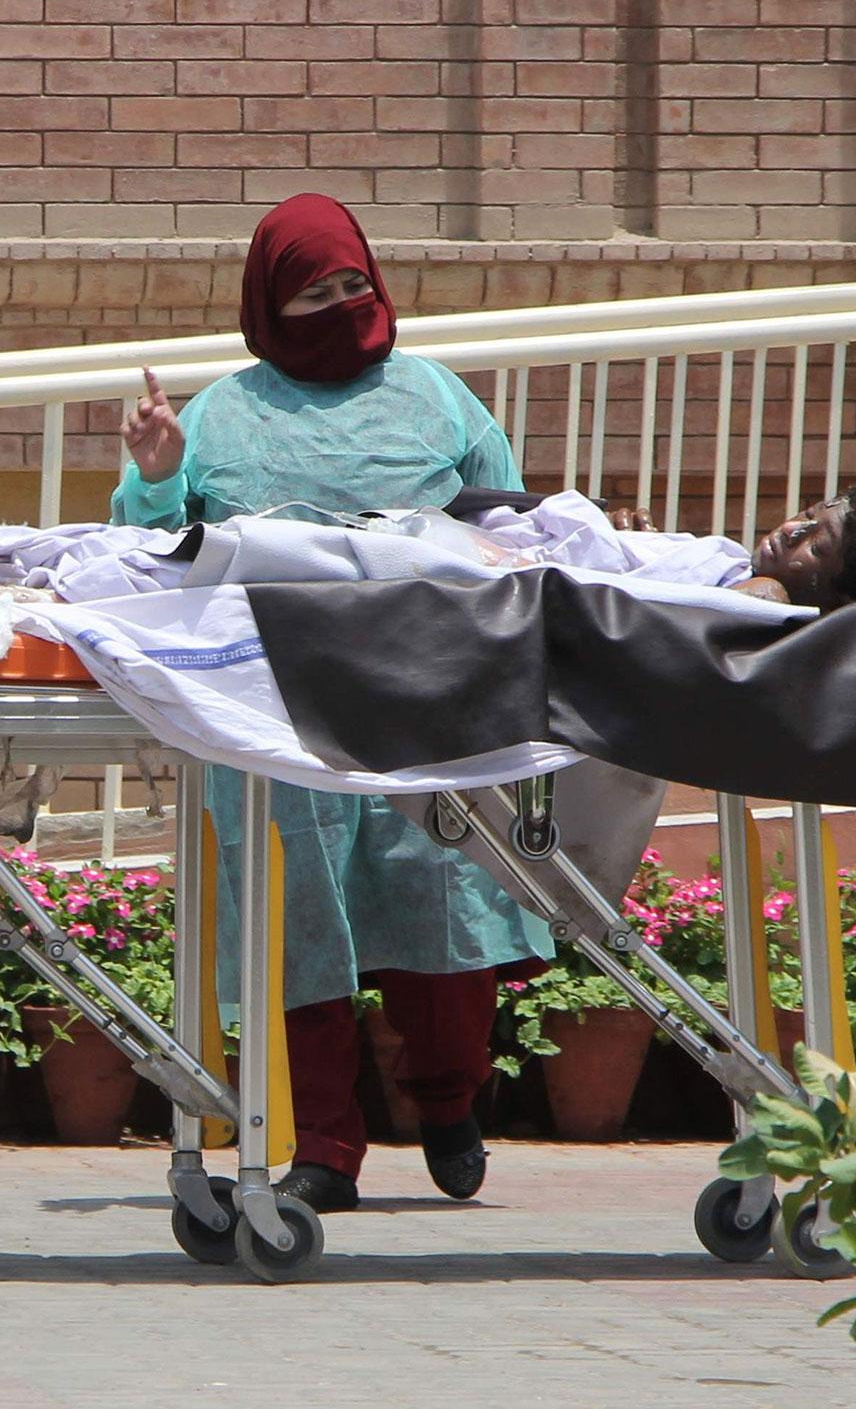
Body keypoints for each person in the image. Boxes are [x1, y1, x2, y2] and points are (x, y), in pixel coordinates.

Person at [113, 192, 547, 1213]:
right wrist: (157, 476)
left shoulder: (438, 398)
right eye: (316, 292)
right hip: (272, 700)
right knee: (298, 914)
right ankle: (321, 1147)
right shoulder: (220, 413)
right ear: (270, 305)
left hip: (423, 690)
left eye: (355, 284)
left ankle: (446, 1101)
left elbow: (508, 522)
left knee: (439, 893)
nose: (344, 305)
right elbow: (148, 554)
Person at [603, 483, 856, 608]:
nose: (790, 529)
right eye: (806, 516)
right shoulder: (736, 569)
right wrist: (646, 550)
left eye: (817, 547)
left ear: (840, 597)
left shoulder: (766, 599)